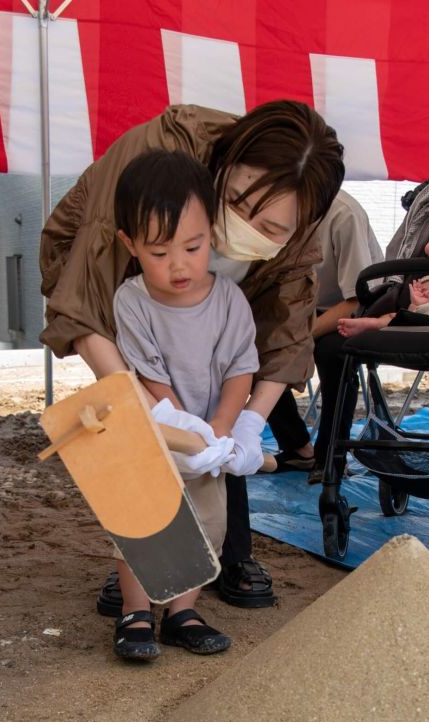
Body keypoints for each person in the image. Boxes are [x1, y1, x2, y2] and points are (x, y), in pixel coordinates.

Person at [39, 101, 345, 613]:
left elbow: (285, 331)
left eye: (271, 228)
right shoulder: (157, 156)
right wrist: (152, 412)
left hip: (210, 312)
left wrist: (248, 424)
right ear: (222, 167)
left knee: (211, 432)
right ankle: (141, 566)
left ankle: (226, 554)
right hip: (119, 291)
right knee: (140, 432)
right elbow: (86, 304)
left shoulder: (302, 225)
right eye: (238, 203)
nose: (248, 227)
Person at [111, 149, 260, 660]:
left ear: (212, 235)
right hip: (155, 436)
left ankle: (181, 611)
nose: (178, 264)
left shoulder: (229, 301)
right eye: (158, 252)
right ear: (129, 244)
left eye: (192, 247)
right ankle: (135, 612)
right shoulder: (132, 301)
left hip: (208, 444)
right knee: (144, 521)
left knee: (207, 527)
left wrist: (221, 429)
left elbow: (243, 367)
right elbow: (149, 375)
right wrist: (185, 427)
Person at [265, 189, 383, 484]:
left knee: (334, 354)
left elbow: (357, 299)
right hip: (300, 307)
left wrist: (303, 336)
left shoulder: (345, 215)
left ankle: (332, 455)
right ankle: (297, 449)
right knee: (251, 347)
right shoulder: (272, 206)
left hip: (352, 307)